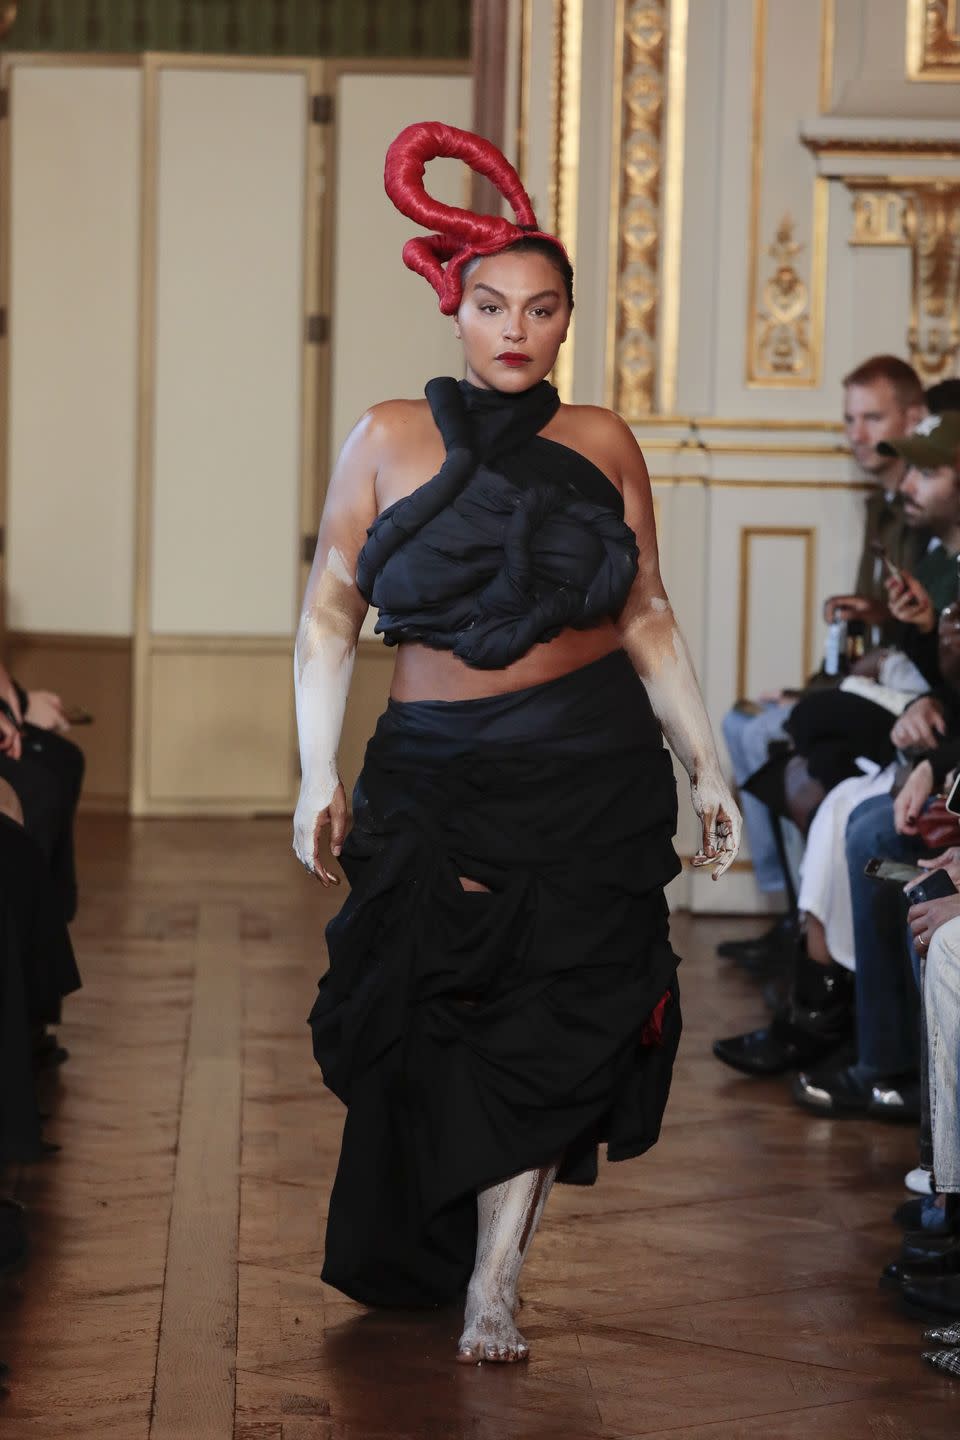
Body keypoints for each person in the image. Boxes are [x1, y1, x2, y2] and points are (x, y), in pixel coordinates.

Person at [292, 122, 740, 1366]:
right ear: (457, 308)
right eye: (493, 304)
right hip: (434, 767)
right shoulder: (385, 436)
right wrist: (315, 771)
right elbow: (332, 613)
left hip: (588, 766)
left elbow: (645, 611)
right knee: (431, 1008)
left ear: (565, 324)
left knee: (565, 1009)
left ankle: (497, 1279)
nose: (515, 329)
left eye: (541, 310)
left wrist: (707, 763)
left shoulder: (600, 441)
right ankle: (440, 1237)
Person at [719, 356, 928, 965]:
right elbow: (870, 631)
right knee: (743, 720)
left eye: (872, 418)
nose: (857, 434)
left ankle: (805, 932)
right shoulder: (884, 504)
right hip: (876, 682)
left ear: (913, 418)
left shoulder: (923, 502)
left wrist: (820, 693)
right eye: (849, 420)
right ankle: (792, 914)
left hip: (908, 695)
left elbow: (911, 629)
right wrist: (814, 686)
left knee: (770, 736)